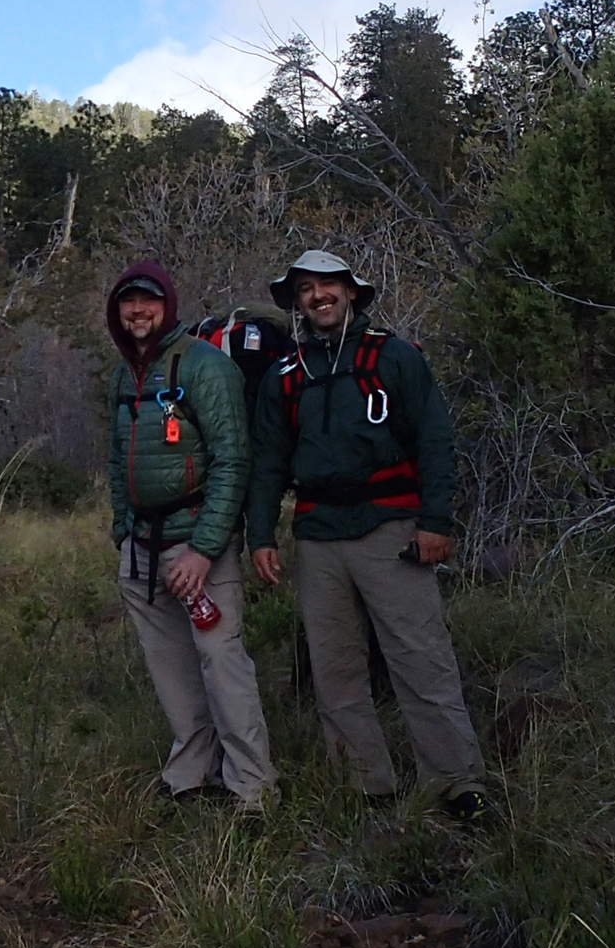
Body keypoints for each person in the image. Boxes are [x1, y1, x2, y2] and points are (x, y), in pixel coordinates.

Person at [247, 249, 488, 820]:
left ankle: (459, 785)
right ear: (297, 302)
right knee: (335, 670)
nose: (317, 296)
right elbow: (267, 463)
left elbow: (434, 440)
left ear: (351, 292)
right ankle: (367, 788)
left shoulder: (395, 358)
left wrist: (435, 522)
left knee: (421, 658)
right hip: (317, 535)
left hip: (392, 530)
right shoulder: (285, 376)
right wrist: (261, 535)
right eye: (305, 289)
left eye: (328, 285)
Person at [106, 261, 275, 808]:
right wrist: (121, 532)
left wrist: (203, 551)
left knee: (221, 663)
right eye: (128, 302)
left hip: (197, 544)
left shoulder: (205, 368)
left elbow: (233, 460)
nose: (138, 310)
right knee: (170, 667)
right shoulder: (123, 376)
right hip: (141, 549)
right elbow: (115, 461)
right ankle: (192, 775)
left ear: (168, 306)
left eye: (149, 301)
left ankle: (252, 788)